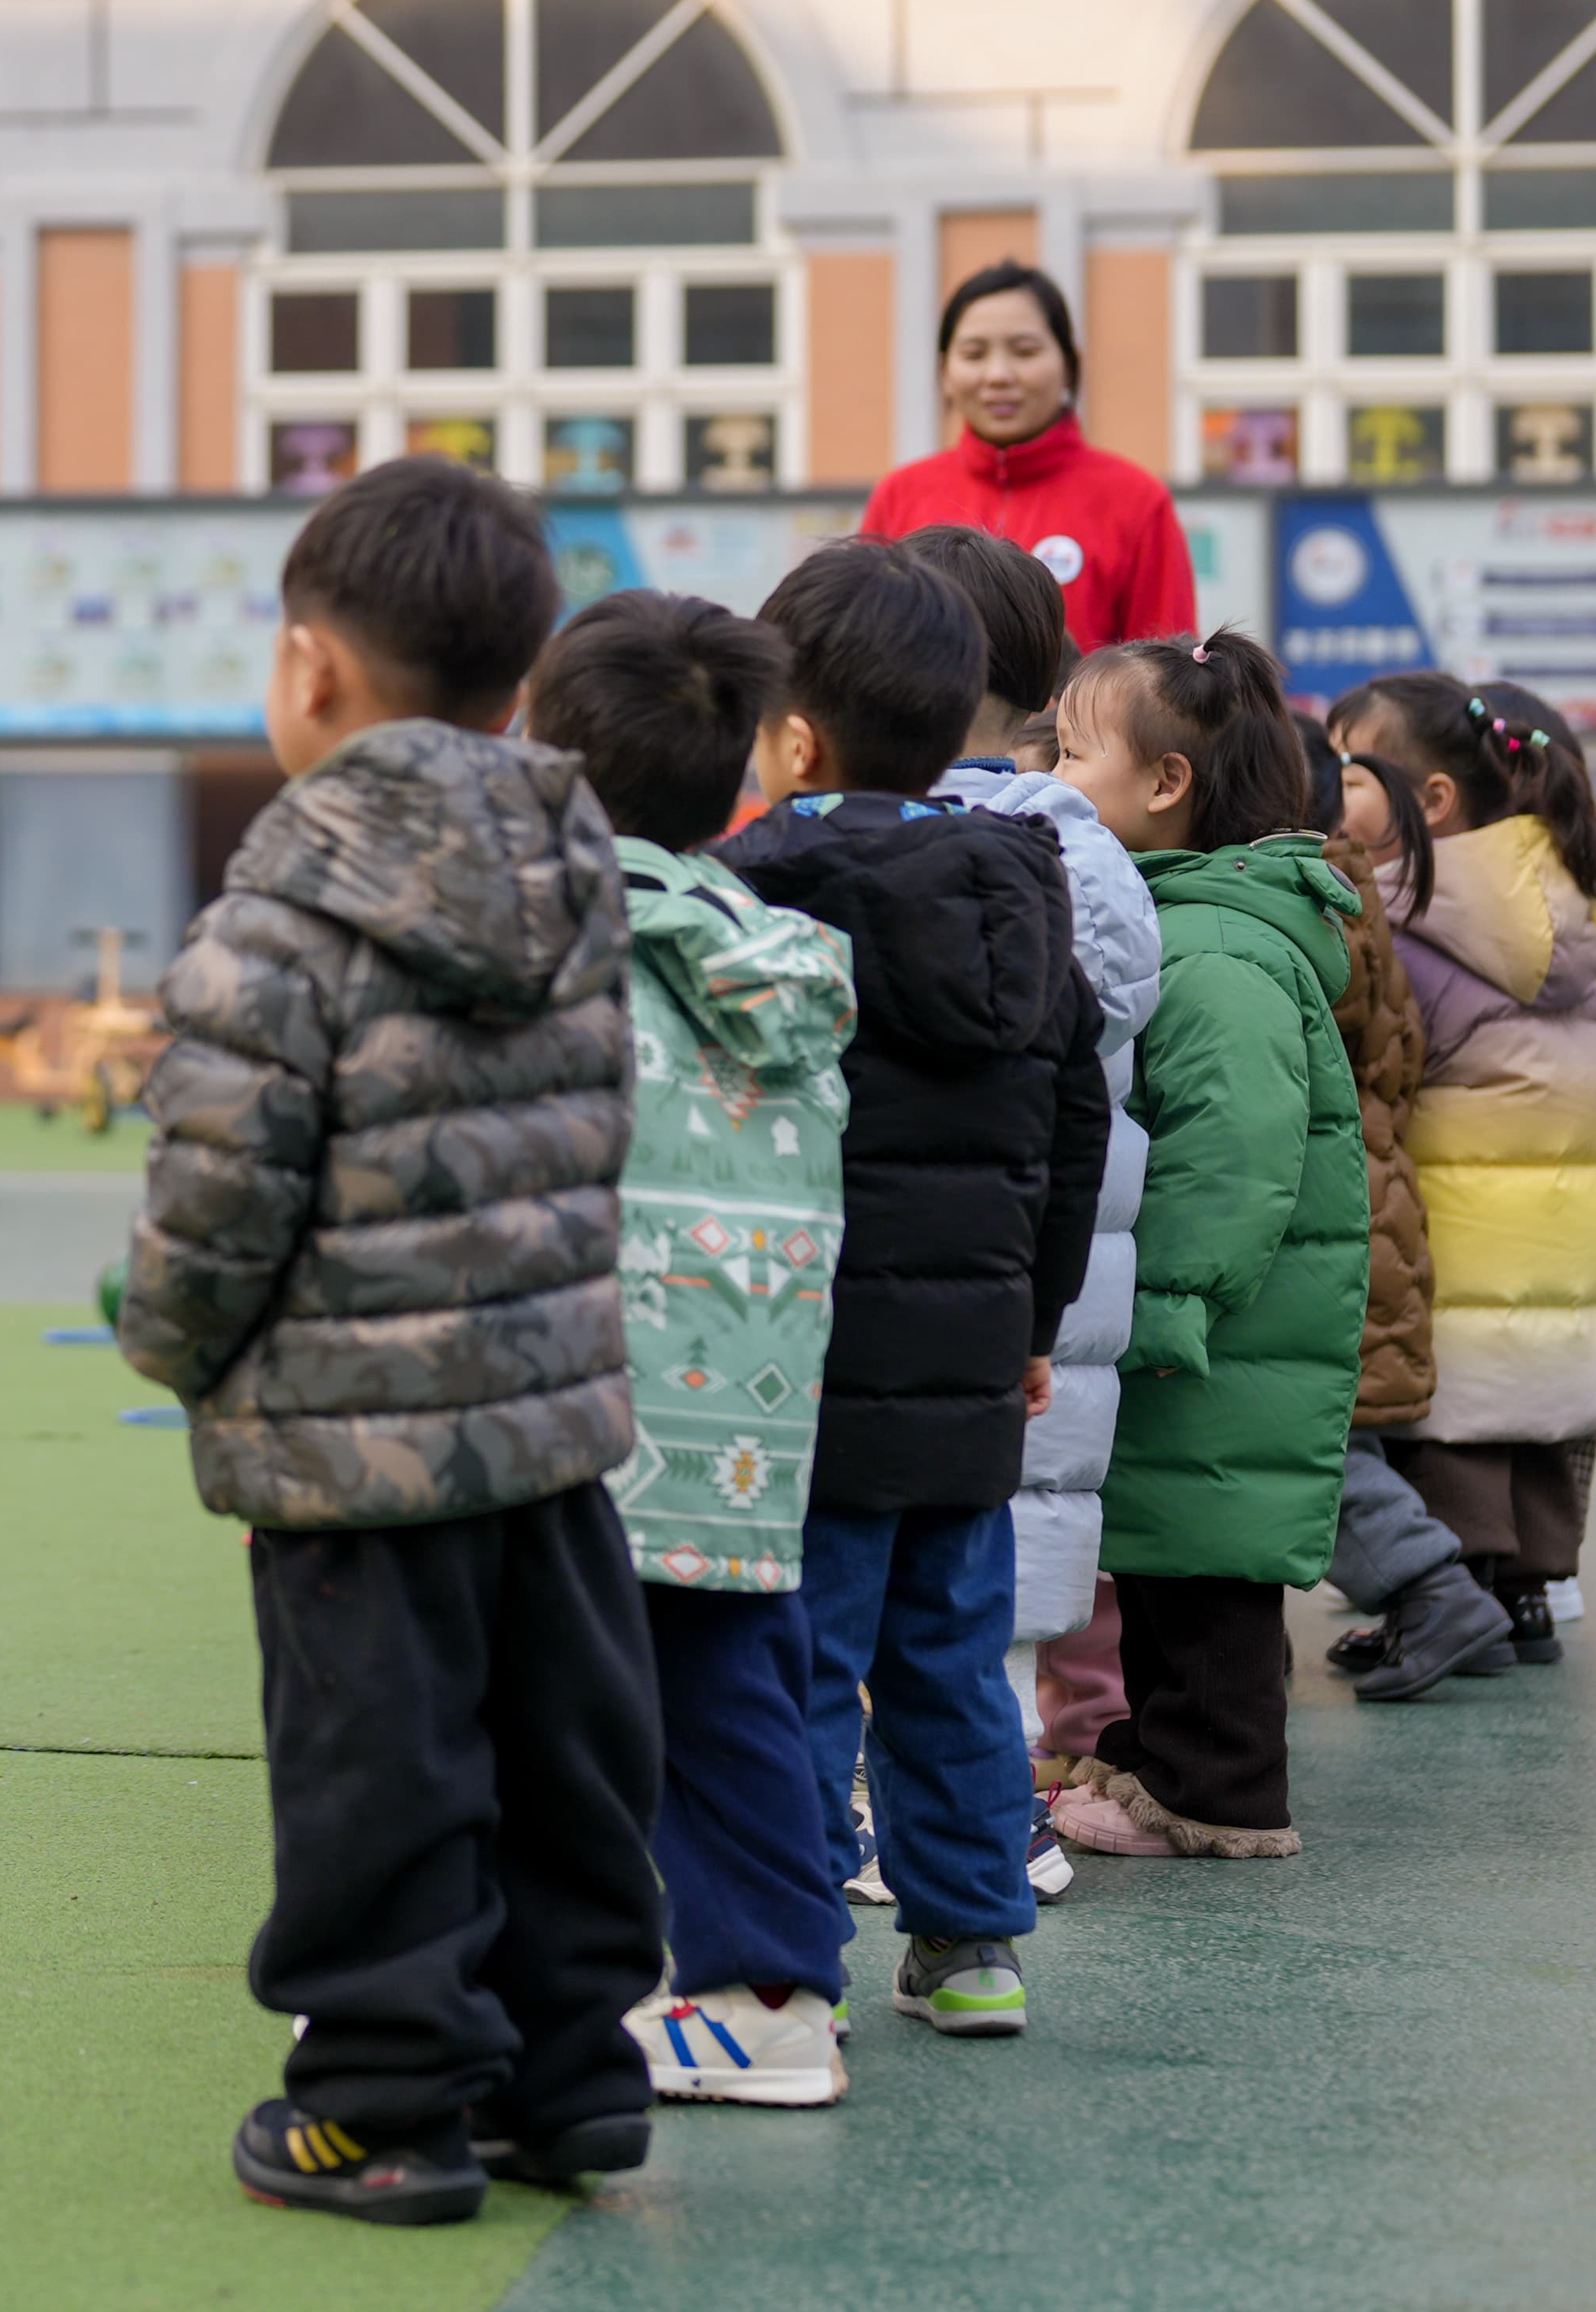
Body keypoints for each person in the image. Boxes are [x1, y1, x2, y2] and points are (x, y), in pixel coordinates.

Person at [118, 457, 661, 2228]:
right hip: (549, 1431)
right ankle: (568, 2082)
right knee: (562, 1751)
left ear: (309, 671)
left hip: (353, 1453)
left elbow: (214, 1201)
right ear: (513, 684)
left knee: (379, 1773)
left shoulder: (271, 921)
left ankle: (378, 2105)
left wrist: (170, 1344)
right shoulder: (582, 881)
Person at [710, 543, 1109, 2044]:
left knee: (804, 1658)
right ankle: (972, 1942)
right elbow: (1078, 1121)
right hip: (965, 1366)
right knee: (949, 1654)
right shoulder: (1026, 888)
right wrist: (1031, 1322)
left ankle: (790, 1940)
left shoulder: (750, 888)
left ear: (794, 736)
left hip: (796, 1359)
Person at [523, 591, 860, 2115]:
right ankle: (772, 1993)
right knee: (734, 1688)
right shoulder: (779, 954)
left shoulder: (551, 937)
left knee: (516, 1694)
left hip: (582, 1391)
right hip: (750, 1408)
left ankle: (501, 1988)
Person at [1042, 632, 1365, 1863]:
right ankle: (1164, 1751)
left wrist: (1165, 1298)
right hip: (1219, 1321)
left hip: (1219, 1327)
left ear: (1164, 784)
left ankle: (1221, 1788)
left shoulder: (1217, 947)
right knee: (1175, 1553)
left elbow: (1235, 1150)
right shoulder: (1191, 918)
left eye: (1074, 753)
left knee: (1210, 1566)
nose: (1055, 775)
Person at [892, 524, 1155, 1830]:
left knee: (887, 1576)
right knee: (997, 1593)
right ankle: (996, 1840)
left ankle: (906, 1825)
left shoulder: (869, 850)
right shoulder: (1085, 850)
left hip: (903, 1272)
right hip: (1050, 1284)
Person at [1322, 673, 1596, 1663]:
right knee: (1527, 1417)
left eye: (1349, 769)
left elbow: (1395, 1063)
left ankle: (1458, 1598)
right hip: (1557, 1230)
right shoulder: (1557, 911)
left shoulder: (1421, 920)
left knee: (1456, 1421)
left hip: (1458, 1220)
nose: (1329, 790)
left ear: (1431, 802)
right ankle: (1526, 1599)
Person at [1310, 734, 1509, 1697]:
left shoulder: (1316, 905)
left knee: (1316, 1449)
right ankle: (1434, 1600)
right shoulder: (1355, 896)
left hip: (1340, 1211)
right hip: (1373, 1201)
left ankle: (1436, 1590)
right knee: (1342, 1437)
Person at [855, 261, 1197, 653]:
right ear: (945, 371)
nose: (998, 375)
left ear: (1070, 367)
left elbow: (1170, 679)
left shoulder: (1136, 500)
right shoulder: (899, 494)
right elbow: (867, 649)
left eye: (1025, 351)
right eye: (974, 353)